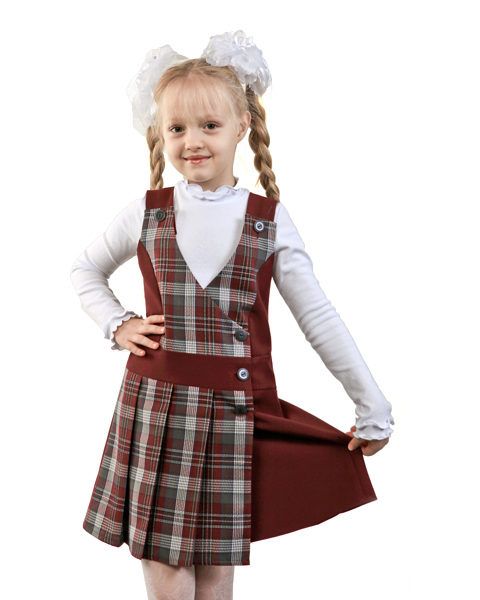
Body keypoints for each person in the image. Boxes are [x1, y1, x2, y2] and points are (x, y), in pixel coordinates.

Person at [70, 30, 395, 600]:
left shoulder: (269, 219)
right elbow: (85, 270)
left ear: (242, 126)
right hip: (157, 409)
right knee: (164, 567)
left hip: (234, 413)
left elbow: (318, 317)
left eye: (209, 125)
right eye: (177, 128)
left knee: (216, 570)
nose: (192, 141)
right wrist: (117, 324)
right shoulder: (146, 213)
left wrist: (373, 405)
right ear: (159, 133)